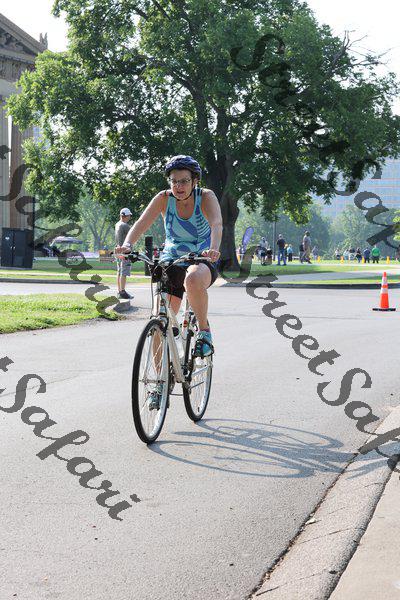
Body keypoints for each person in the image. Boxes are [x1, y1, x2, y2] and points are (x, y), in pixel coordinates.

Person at [116, 155, 222, 363]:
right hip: (172, 259)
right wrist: (127, 245)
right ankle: (159, 380)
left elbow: (216, 224)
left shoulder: (206, 197)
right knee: (159, 320)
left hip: (202, 257)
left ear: (195, 181)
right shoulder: (163, 198)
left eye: (184, 181)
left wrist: (214, 249)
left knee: (192, 280)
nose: (178, 186)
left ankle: (204, 332)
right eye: (174, 181)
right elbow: (141, 224)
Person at [115, 208, 134, 299]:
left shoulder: (117, 224)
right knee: (124, 272)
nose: (130, 217)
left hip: (118, 251)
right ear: (125, 216)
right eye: (129, 215)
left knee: (119, 271)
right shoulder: (125, 226)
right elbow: (132, 237)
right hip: (125, 252)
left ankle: (119, 291)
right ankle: (123, 292)